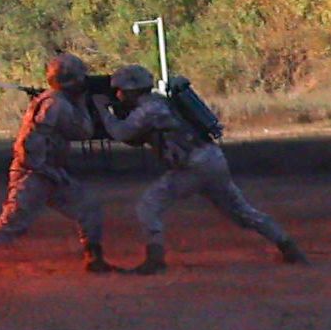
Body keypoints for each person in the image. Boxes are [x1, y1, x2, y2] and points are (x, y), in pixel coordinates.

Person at [108, 63, 304, 272]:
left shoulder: (149, 109)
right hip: (210, 158)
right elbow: (138, 138)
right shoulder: (159, 103)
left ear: (131, 90)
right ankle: (287, 246)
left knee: (149, 205)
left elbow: (122, 133)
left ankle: (155, 260)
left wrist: (104, 112)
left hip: (192, 165)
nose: (118, 94)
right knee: (241, 211)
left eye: (120, 90)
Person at [0, 54, 118, 279]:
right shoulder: (57, 104)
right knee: (13, 220)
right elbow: (82, 131)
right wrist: (86, 103)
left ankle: (94, 259)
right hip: (33, 173)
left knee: (88, 207)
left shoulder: (56, 101)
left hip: (49, 171)